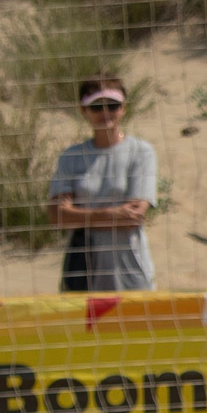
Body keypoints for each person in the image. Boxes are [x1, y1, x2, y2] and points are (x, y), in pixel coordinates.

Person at [47, 77, 157, 292]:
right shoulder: (71, 157)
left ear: (124, 108)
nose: (105, 112)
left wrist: (80, 216)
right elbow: (57, 215)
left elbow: (134, 216)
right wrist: (113, 214)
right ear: (84, 110)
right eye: (97, 106)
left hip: (129, 270)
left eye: (113, 105)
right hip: (82, 271)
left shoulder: (141, 152)